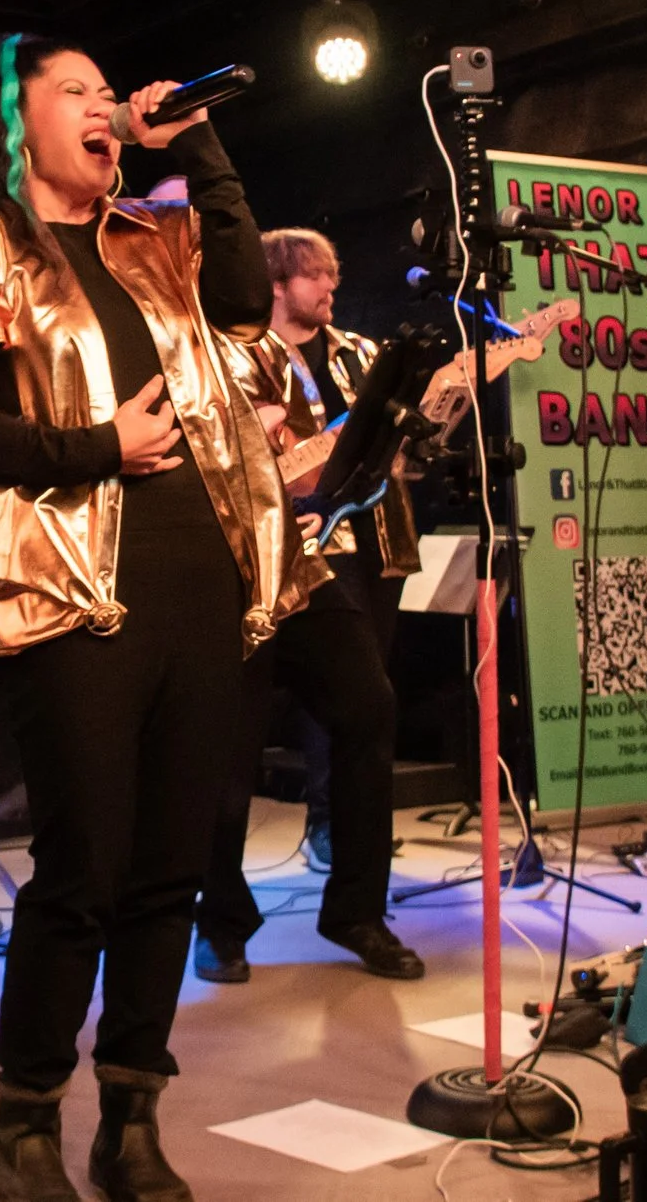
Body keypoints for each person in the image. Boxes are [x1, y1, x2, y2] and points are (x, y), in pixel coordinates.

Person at [0, 35, 325, 1202]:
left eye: (107, 94)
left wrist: (193, 136)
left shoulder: (161, 234)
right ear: (11, 120)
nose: (101, 108)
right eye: (76, 93)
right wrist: (100, 447)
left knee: (170, 867)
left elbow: (248, 292)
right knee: (81, 866)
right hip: (76, 587)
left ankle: (133, 1113)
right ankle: (28, 1118)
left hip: (209, 579)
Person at [195, 227, 425, 983]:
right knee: (226, 753)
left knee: (369, 705)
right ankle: (220, 922)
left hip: (316, 564)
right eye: (314, 274)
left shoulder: (352, 352)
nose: (328, 286)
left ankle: (357, 909)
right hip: (233, 569)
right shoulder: (208, 340)